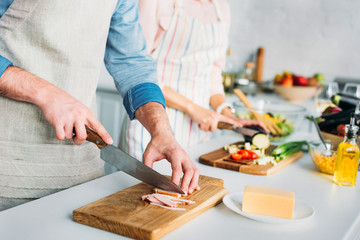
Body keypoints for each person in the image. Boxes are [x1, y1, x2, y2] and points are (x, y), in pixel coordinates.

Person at [0, 0, 199, 211]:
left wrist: (162, 132)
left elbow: (132, 64)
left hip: (82, 170)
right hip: (10, 170)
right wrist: (44, 92)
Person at [119, 0, 268, 159]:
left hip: (198, 130)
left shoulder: (221, 7)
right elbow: (136, 70)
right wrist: (193, 108)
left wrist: (228, 115)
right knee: (143, 184)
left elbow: (213, 72)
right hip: (151, 126)